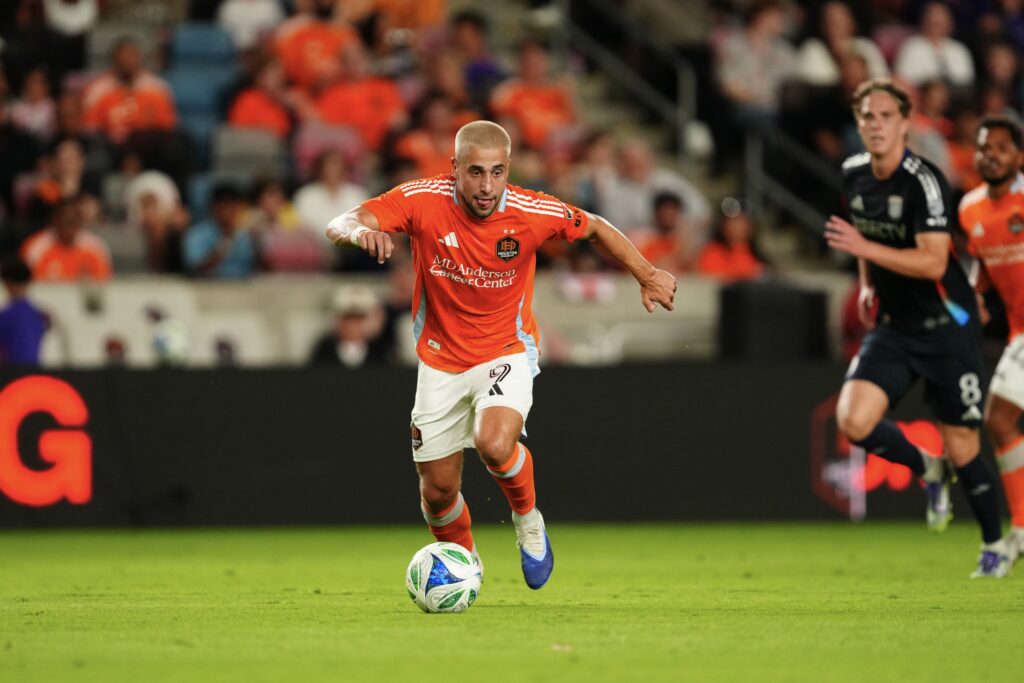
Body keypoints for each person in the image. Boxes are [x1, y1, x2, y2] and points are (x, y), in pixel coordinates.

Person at [325, 121, 676, 589]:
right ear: (454, 169)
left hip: (504, 350)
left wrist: (647, 273)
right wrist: (357, 234)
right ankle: (466, 568)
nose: (487, 186)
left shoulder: (531, 210)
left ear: (508, 169)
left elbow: (593, 226)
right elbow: (340, 222)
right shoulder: (422, 199)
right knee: (437, 492)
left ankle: (528, 519)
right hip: (439, 360)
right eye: (474, 172)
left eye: (497, 172)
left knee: (493, 443)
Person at [825, 79, 1011, 578]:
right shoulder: (853, 174)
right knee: (853, 420)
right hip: (893, 326)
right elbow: (866, 232)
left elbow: (932, 263)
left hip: (946, 325)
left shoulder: (924, 181)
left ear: (905, 124)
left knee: (965, 445)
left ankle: (995, 544)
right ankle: (928, 468)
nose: (877, 125)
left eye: (886, 116)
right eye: (868, 117)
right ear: (859, 123)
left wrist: (864, 253)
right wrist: (867, 283)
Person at [958, 115, 1024, 562]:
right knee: (1000, 421)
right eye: (984, 147)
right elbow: (982, 263)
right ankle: (1021, 524)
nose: (991, 155)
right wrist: (974, 296)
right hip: (1019, 330)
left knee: (999, 419)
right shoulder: (970, 208)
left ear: (1018, 156)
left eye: (1001, 147)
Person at [308, 284, 389, 367]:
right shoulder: (325, 349)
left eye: (358, 318)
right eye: (347, 318)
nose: (352, 324)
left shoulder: (378, 350)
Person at [0, 256, 47, 366]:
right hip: (33, 374)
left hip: (9, 375)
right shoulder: (39, 316)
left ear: (7, 283)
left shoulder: (5, 316)